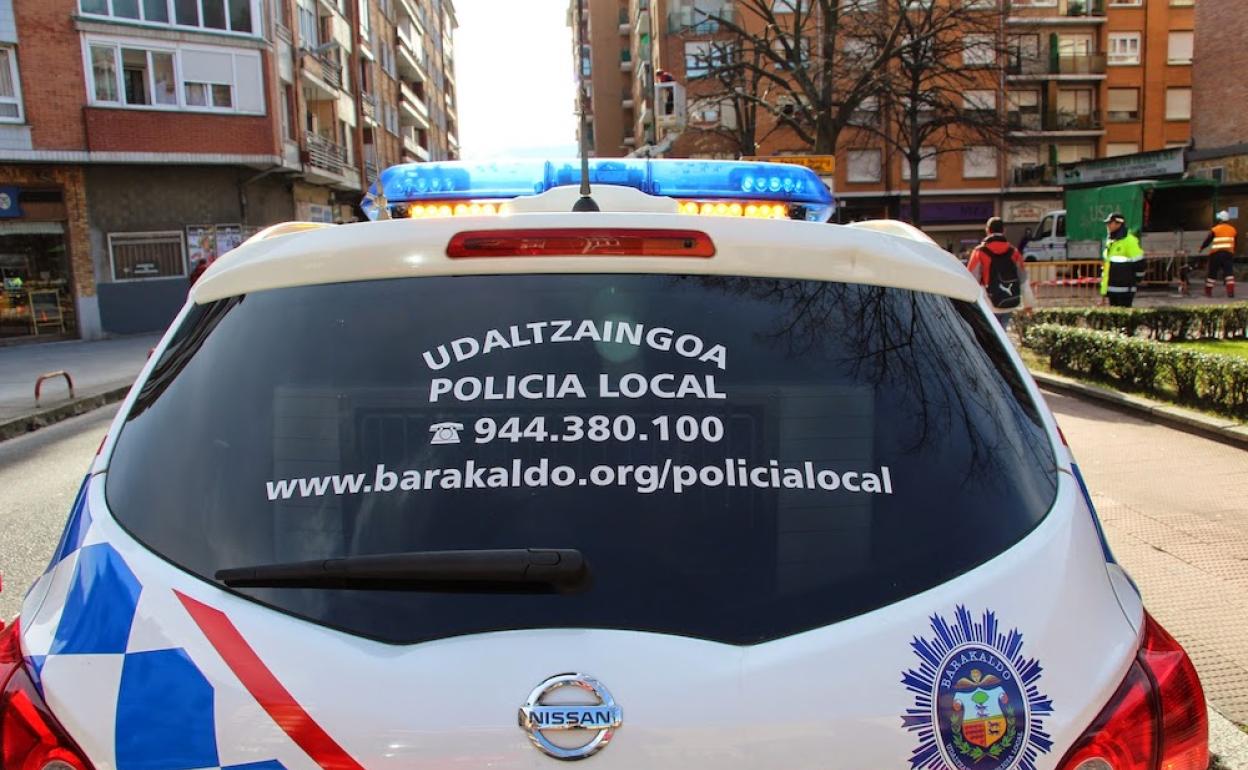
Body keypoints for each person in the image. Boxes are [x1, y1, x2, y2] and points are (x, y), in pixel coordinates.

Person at [967, 217, 1034, 330]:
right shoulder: (1014, 252)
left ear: (987, 230)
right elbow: (1024, 281)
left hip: (988, 303)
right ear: (1004, 230)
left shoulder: (979, 252)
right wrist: (1029, 304)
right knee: (1002, 331)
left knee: (990, 335)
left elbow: (971, 280)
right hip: (1009, 302)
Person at [1100, 212, 1145, 307]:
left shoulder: (1129, 241)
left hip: (1125, 290)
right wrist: (1104, 291)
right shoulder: (1111, 241)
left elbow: (1139, 263)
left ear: (1119, 224)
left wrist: (1136, 279)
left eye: (1110, 223)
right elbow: (1107, 267)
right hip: (1112, 288)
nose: (1108, 225)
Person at [1198, 210, 1237, 298]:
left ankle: (1208, 292)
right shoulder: (1233, 230)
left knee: (1212, 273)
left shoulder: (1215, 229)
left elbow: (1208, 240)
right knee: (1229, 273)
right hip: (1228, 254)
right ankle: (1230, 292)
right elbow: (1235, 242)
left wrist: (1201, 248)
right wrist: (1233, 251)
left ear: (1220, 219)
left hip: (1216, 254)